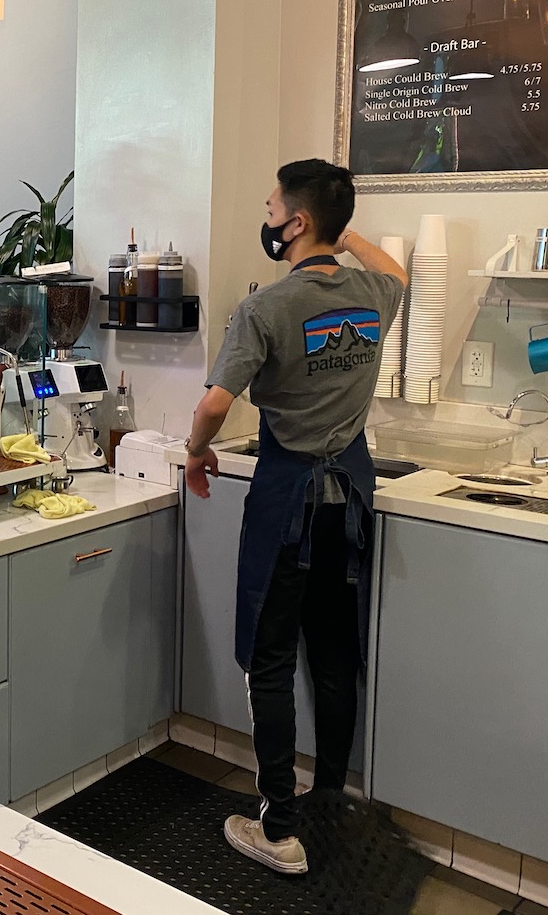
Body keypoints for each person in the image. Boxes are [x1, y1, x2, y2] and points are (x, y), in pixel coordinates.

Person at [184, 158, 407, 875]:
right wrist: (344, 238)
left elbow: (217, 404)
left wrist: (194, 452)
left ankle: (278, 828)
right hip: (350, 502)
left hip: (287, 503)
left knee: (271, 660)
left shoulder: (267, 308)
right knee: (335, 656)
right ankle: (332, 796)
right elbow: (396, 269)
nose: (267, 210)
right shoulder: (373, 295)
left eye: (274, 203)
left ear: (295, 222)